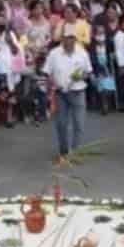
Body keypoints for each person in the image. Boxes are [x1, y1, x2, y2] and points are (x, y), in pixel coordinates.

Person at [43, 24, 93, 159]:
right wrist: (52, 85)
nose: (69, 40)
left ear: (75, 39)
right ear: (62, 39)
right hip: (60, 93)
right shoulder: (54, 53)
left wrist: (80, 76)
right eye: (66, 38)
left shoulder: (82, 53)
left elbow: (88, 72)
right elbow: (47, 73)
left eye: (71, 38)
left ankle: (76, 152)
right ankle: (64, 151)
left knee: (79, 123)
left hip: (78, 91)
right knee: (61, 123)